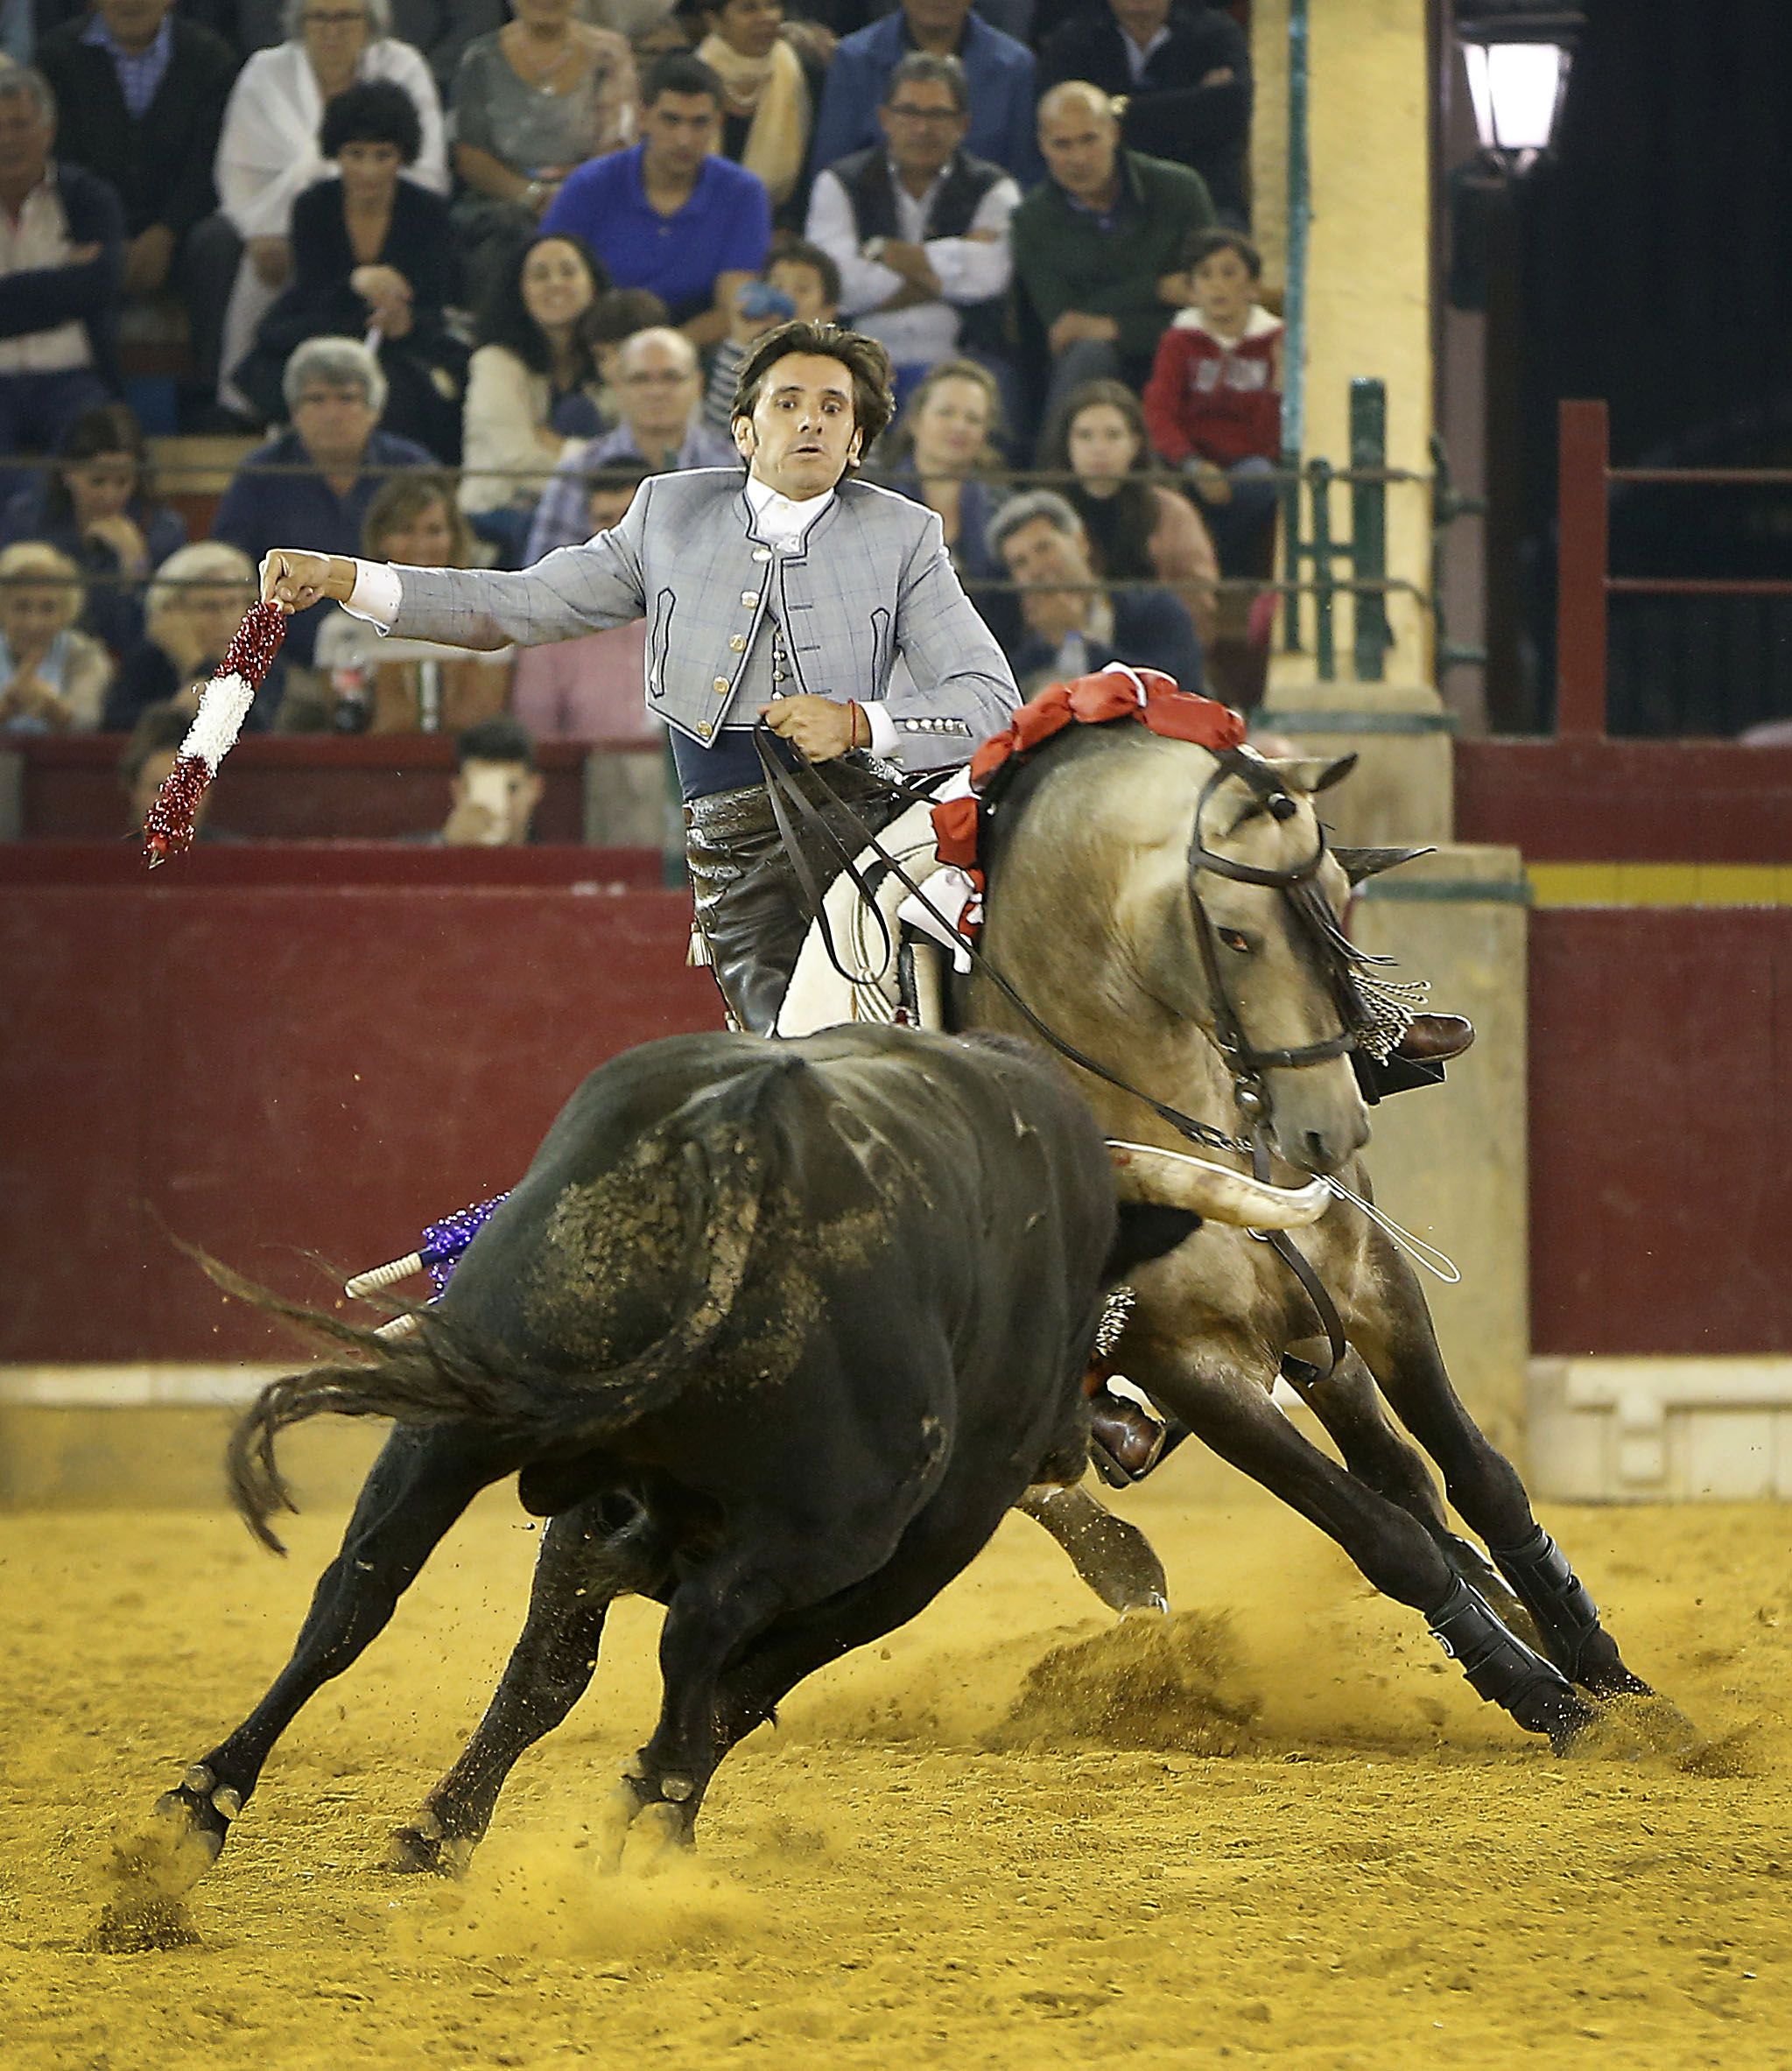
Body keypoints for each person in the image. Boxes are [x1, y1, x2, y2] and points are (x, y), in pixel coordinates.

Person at [257, 319, 1019, 1035]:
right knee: (793, 1047)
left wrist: (861, 724)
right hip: (744, 848)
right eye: (788, 403)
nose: (811, 421)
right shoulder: (668, 514)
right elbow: (516, 607)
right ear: (744, 432)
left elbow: (989, 703)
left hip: (874, 819)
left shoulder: (904, 533)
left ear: (857, 442)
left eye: (832, 407)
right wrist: (345, 577)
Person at [207, 0, 448, 418]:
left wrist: (403, 316)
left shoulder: (404, 66)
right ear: (299, 22)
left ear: (370, 22)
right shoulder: (266, 73)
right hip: (280, 230)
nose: (331, 29)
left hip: (396, 257)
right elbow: (239, 169)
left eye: (346, 16)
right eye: (318, 16)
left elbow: (428, 170)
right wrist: (261, 231)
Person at [229, 80, 467, 459]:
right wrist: (356, 282)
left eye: (383, 155)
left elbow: (435, 304)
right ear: (336, 153)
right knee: (271, 361)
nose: (369, 170)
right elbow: (312, 295)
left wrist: (404, 323)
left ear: (403, 156)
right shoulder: (313, 206)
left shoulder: (429, 212)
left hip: (402, 342)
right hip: (326, 325)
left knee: (419, 389)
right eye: (355, 154)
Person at [35, 0, 240, 388]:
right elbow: (61, 161)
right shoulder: (56, 55)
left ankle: (212, 401)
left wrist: (167, 231)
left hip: (182, 230)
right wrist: (110, 237)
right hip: (92, 227)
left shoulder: (212, 57)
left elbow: (210, 164)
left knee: (219, 244)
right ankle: (88, 405)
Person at [1009, 80, 1214, 450]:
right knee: (1087, 351)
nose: (1078, 158)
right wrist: (1156, 288)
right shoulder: (1031, 220)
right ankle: (1056, 484)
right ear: (1042, 147)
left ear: (1114, 133)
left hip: (1181, 351)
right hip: (1099, 363)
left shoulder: (1179, 190)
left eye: (1089, 139)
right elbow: (1065, 327)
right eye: (1062, 144)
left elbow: (1211, 304)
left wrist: (1109, 323)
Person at [805, 52, 1016, 410]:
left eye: (937, 114)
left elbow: (989, 277)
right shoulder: (839, 182)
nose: (922, 128)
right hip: (856, 359)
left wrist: (885, 252)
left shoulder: (994, 188)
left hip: (962, 359)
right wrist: (950, 267)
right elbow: (837, 285)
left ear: (963, 123)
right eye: (909, 112)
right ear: (885, 118)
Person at [210, 333, 433, 666]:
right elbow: (230, 560)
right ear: (294, 412)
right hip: (282, 663)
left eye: (347, 398)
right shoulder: (261, 473)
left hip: (398, 654)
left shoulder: (411, 467)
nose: (332, 413)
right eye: (316, 400)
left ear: (375, 410)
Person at [540, 53, 770, 348]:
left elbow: (733, 311)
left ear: (718, 123)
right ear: (643, 117)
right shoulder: (588, 185)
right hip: (594, 347)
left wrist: (657, 356)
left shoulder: (744, 193)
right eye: (671, 120)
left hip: (695, 354)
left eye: (699, 123)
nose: (684, 139)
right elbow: (549, 288)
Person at [447, 0, 635, 311]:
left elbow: (616, 148)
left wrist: (568, 199)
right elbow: (470, 156)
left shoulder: (610, 53)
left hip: (590, 200)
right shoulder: (479, 57)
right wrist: (533, 197)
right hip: (501, 206)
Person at [313, 473, 513, 731]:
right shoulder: (343, 631)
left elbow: (481, 721)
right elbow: (351, 728)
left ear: (454, 538)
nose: (421, 545)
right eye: (406, 530)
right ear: (381, 539)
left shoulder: (488, 623)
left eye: (434, 531)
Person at [524, 324, 737, 562]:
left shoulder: (734, 467)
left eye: (671, 377)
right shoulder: (578, 470)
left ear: (698, 384)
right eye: (640, 379)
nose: (656, 392)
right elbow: (542, 578)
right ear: (618, 387)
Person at [457, 229, 609, 563]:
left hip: (590, 512)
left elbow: (633, 451)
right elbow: (516, 461)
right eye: (540, 275)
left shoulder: (609, 362)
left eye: (568, 272)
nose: (556, 283)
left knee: (577, 413)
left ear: (592, 285)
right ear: (520, 292)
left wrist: (562, 447)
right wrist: (590, 463)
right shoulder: (495, 363)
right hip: (499, 513)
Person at [1142, 226, 1284, 572]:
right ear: (1191, 291)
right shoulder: (1178, 342)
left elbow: (1272, 435)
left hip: (1247, 464)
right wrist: (1193, 464)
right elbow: (1159, 411)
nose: (1217, 285)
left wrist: (1279, 382)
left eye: (1229, 273)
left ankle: (1215, 559)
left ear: (1252, 287)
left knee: (1261, 479)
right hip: (1189, 462)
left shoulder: (1276, 342)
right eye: (1204, 276)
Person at [1039, 376, 1218, 649]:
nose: (1099, 448)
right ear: (1067, 444)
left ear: (1135, 443)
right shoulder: (1045, 517)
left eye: (1113, 435)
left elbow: (1199, 601)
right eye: (1085, 436)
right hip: (1068, 652)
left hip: (1159, 653)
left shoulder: (1173, 513)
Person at [0, 67, 123, 455]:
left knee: (105, 453)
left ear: (49, 132)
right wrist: (63, 284)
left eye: (20, 125)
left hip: (73, 380)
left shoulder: (88, 199)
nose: (7, 139)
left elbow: (100, 286)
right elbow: (79, 289)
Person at [1036, 0, 1249, 224]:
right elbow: (1056, 118)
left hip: (1209, 196)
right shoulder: (1074, 38)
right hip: (1106, 201)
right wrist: (1188, 107)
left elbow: (1231, 112)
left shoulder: (1216, 34)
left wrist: (1119, 107)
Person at [0, 401, 187, 656]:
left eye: (122, 481)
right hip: (36, 655)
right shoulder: (27, 521)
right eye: (97, 481)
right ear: (68, 473)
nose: (110, 495)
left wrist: (135, 564)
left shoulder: (162, 531)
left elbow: (152, 636)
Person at [987, 487, 1203, 696]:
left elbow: (1177, 689)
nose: (1036, 569)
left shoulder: (1156, 608)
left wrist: (1075, 638)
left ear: (1081, 542)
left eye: (1044, 548)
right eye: (1020, 563)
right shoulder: (1022, 655)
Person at [808, 0, 1038, 188]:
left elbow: (1022, 178)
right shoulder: (854, 59)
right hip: (872, 230)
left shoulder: (1015, 66)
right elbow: (831, 174)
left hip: (980, 233)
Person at [509, 460, 661, 741]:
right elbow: (539, 742)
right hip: (589, 779)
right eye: (606, 520)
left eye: (629, 517)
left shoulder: (700, 611)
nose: (620, 533)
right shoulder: (553, 627)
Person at [872, 355, 1012, 646]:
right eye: (946, 413)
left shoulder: (1004, 510)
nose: (959, 427)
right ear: (915, 420)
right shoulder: (873, 503)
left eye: (973, 419)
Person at [102, 538, 271, 729]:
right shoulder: (149, 661)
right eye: (209, 607)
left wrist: (195, 662)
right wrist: (175, 714)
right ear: (172, 613)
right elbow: (114, 729)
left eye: (233, 605)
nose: (225, 621)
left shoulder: (262, 660)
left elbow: (256, 731)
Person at [682, 0, 821, 230]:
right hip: (691, 223)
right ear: (714, 21)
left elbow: (811, 174)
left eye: (773, 5)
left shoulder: (806, 73)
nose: (767, 17)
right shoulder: (686, 79)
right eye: (749, 8)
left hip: (779, 230)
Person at [700, 238, 838, 435]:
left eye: (802, 289)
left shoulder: (843, 372)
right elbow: (718, 430)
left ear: (828, 311)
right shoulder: (742, 354)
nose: (786, 298)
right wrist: (741, 340)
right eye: (776, 286)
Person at [0, 538, 111, 729]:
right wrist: (7, 707)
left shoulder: (85, 655)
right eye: (21, 607)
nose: (34, 623)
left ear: (66, 611)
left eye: (48, 608)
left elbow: (89, 723)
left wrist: (52, 708)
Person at [435, 713, 543, 843]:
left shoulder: (557, 861)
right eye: (482, 787)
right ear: (458, 790)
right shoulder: (420, 858)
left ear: (535, 788)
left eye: (511, 788)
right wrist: (449, 850)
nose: (500, 806)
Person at [121, 698, 222, 836]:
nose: (171, 804)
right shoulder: (104, 857)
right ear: (134, 790)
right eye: (159, 788)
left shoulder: (239, 856)